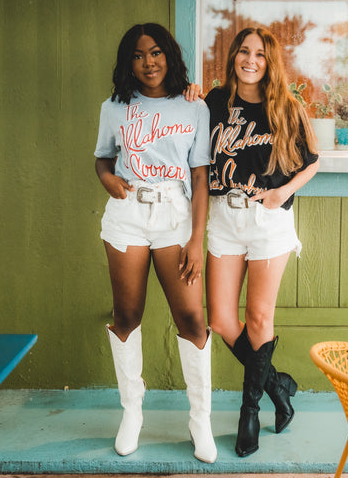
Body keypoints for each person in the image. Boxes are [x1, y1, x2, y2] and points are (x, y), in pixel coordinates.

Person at [94, 23, 216, 464]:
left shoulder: (194, 108)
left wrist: (196, 239)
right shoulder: (114, 106)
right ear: (130, 62)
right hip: (127, 215)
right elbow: (102, 158)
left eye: (157, 52)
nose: (149, 62)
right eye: (140, 55)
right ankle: (132, 413)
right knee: (126, 314)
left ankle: (199, 420)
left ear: (170, 56)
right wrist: (109, 180)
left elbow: (200, 176)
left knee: (191, 317)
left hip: (174, 216)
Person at [204, 27, 319, 457]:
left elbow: (312, 162)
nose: (250, 60)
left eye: (260, 55)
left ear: (270, 62)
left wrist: (281, 192)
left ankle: (249, 411)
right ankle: (276, 384)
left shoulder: (287, 107)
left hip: (267, 220)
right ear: (234, 56)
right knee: (220, 319)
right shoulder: (215, 102)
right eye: (244, 52)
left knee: (257, 318)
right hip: (224, 218)